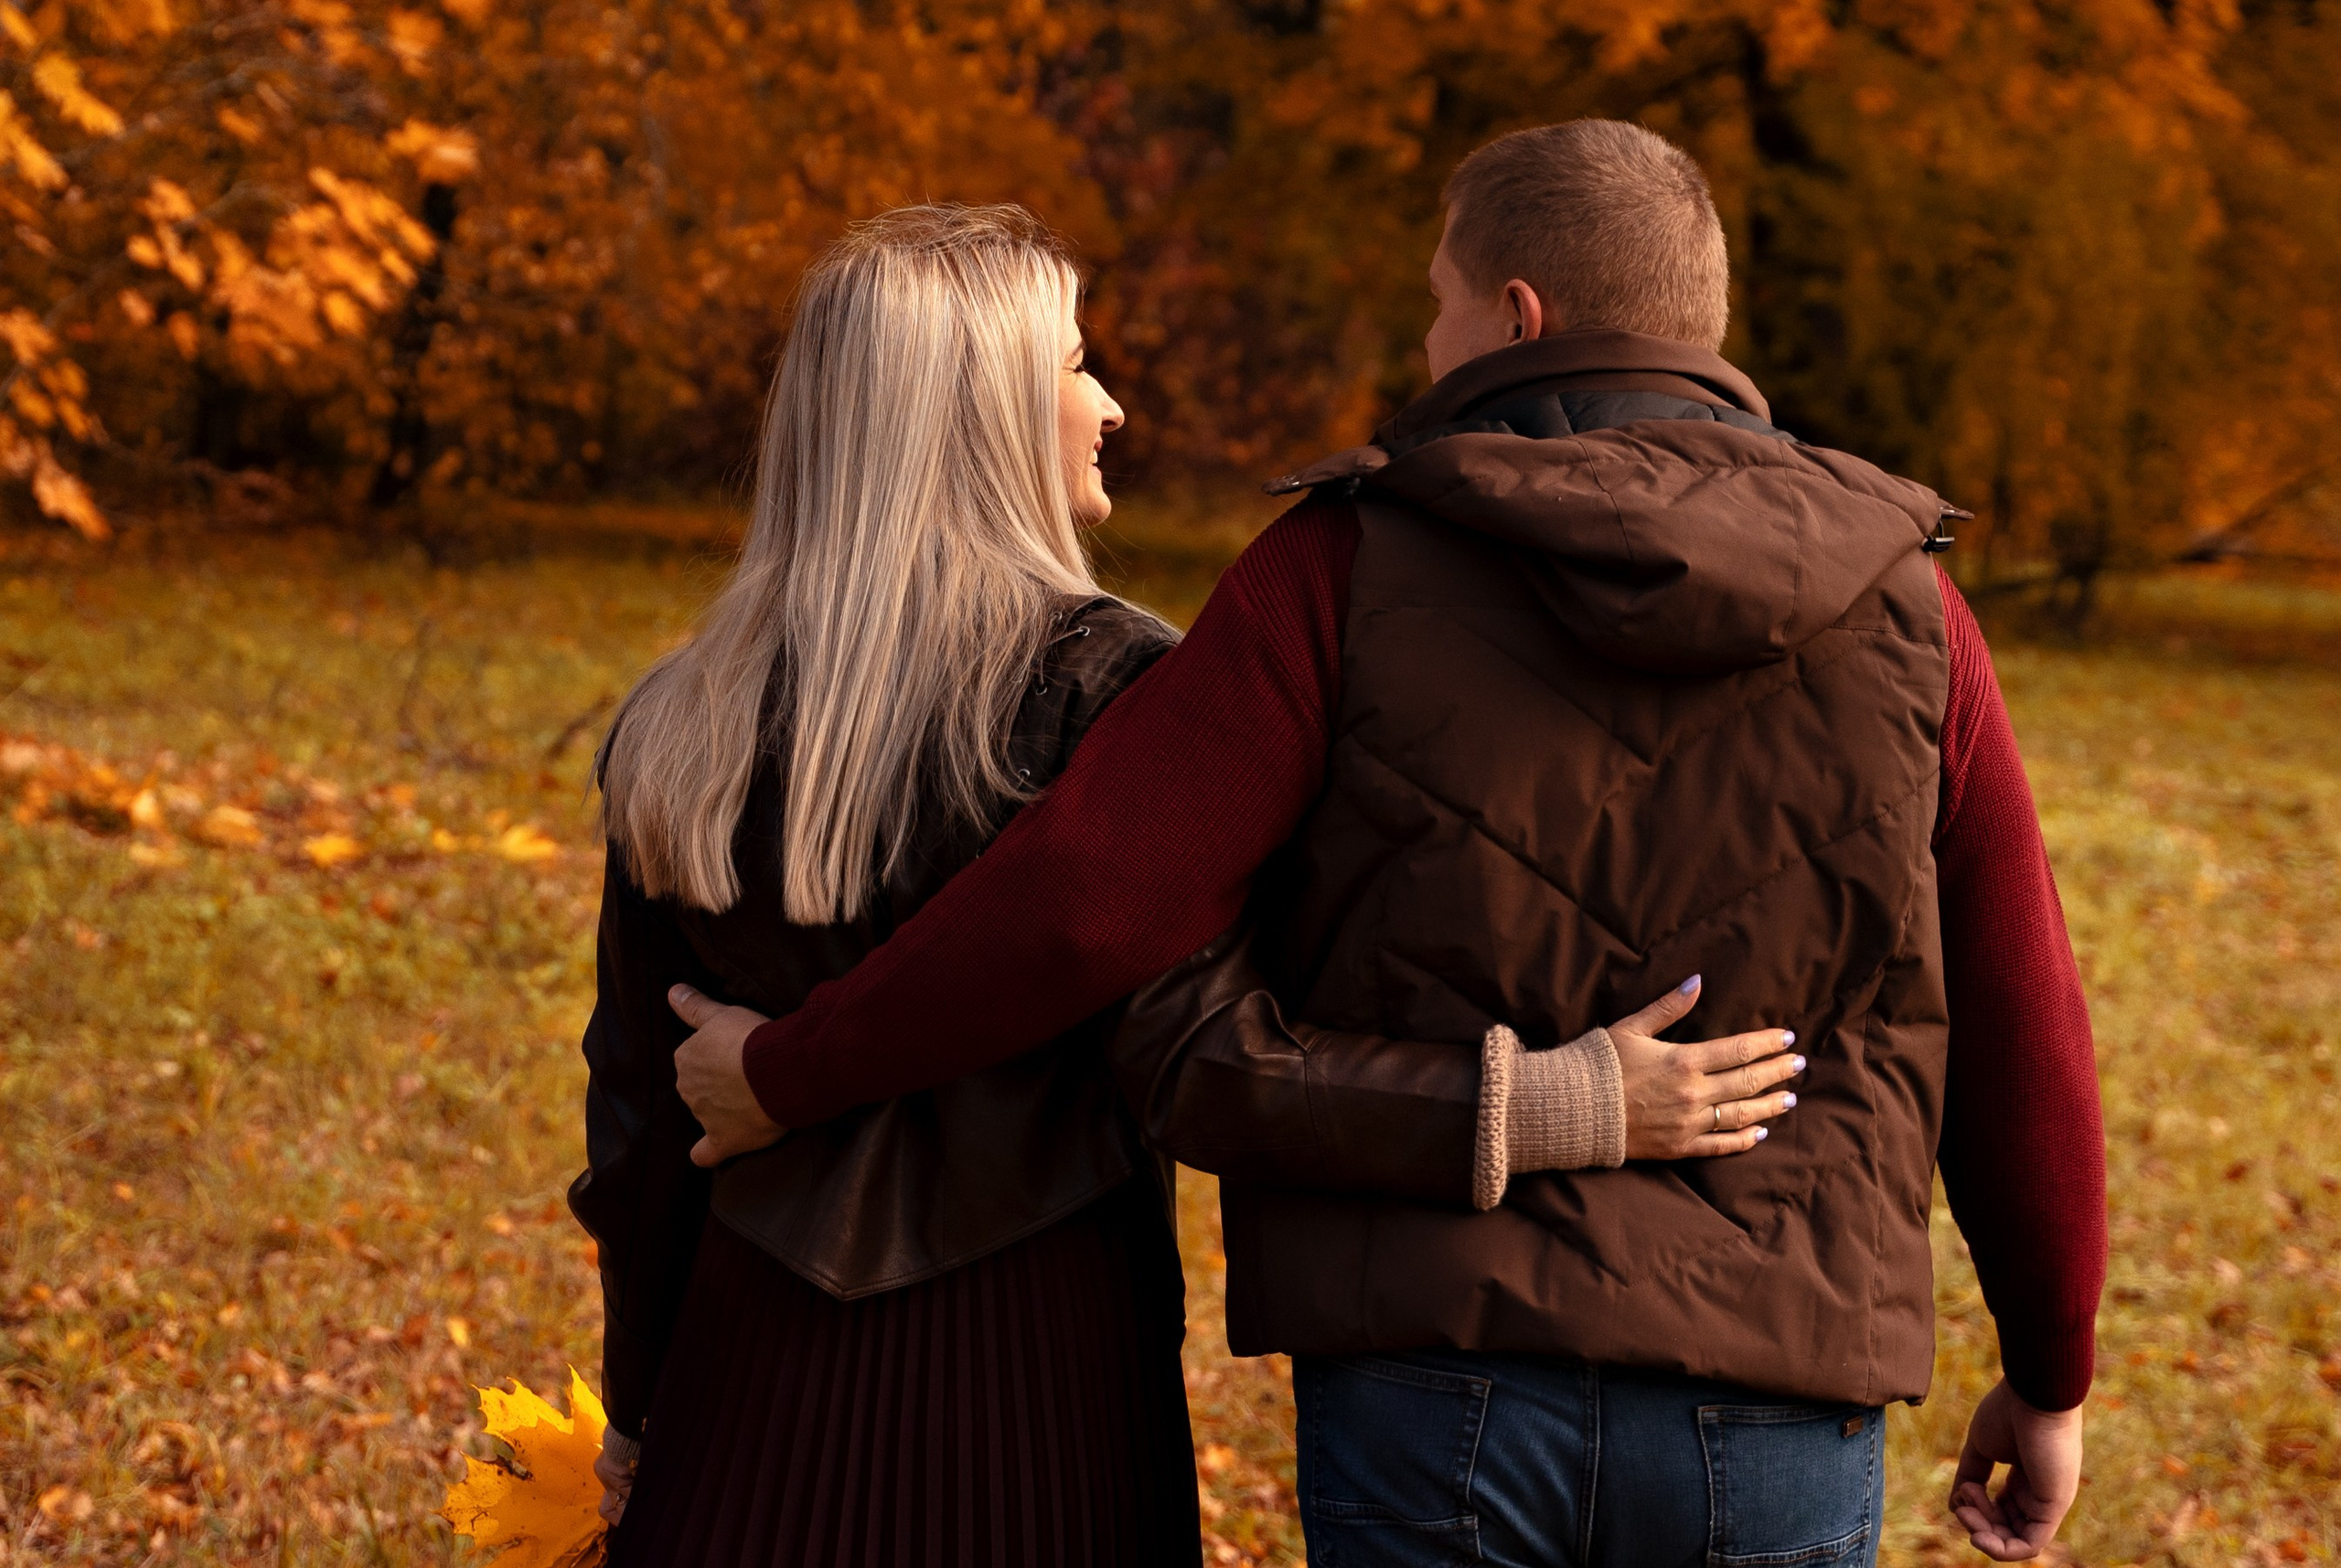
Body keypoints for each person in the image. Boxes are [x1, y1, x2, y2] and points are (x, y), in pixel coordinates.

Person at [671, 124, 2108, 1567]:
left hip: (1439, 1377)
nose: (1430, 342)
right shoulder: (1911, 610)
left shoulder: (1342, 565)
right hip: (1780, 1388)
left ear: (1515, 314)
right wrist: (2051, 1374)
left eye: (1437, 301)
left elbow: (1087, 899)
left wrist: (794, 1070)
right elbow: (2020, 1014)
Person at [571, 198, 1800, 1568]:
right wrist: (1558, 1101)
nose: (1109, 404)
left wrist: (639, 1408)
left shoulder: (687, 721)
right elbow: (1217, 1059)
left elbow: (637, 1122)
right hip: (1038, 1382)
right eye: (1075, 364)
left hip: (744, 1380)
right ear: (973, 417)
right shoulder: (1121, 699)